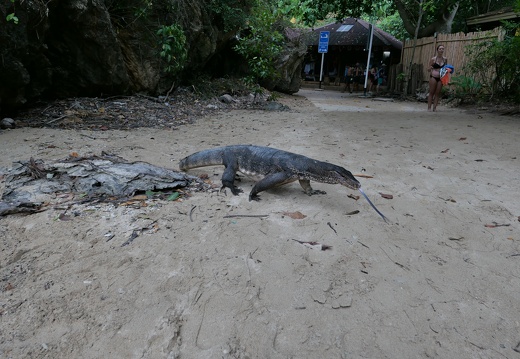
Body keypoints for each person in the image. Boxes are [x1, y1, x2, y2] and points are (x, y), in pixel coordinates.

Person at [427, 45, 447, 111]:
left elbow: (445, 68)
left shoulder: (445, 59)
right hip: (433, 76)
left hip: (441, 77)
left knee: (438, 93)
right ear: (437, 50)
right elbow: (428, 69)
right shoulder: (433, 59)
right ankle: (429, 108)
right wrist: (430, 68)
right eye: (440, 49)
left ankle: (434, 108)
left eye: (443, 49)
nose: (441, 50)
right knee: (432, 92)